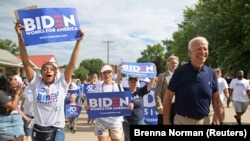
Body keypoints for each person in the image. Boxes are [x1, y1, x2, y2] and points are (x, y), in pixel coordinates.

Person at [15, 23, 84, 141]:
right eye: (45, 69)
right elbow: (26, 62)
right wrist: (20, 37)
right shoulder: (35, 83)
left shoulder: (61, 84)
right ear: (41, 73)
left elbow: (72, 64)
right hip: (39, 129)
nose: (48, 71)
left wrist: (79, 41)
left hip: (57, 131)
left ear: (56, 73)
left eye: (52, 69)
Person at [163, 36, 224, 125]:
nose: (203, 52)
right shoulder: (180, 72)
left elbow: (216, 100)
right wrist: (166, 122)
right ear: (189, 52)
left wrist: (221, 122)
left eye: (205, 49)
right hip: (182, 121)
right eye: (199, 49)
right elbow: (168, 99)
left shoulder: (211, 73)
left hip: (205, 121)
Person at [84, 64, 133, 141]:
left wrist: (130, 105)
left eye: (109, 72)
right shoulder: (98, 86)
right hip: (101, 122)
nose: (107, 75)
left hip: (116, 122)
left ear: (112, 73)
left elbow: (126, 102)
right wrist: (87, 106)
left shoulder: (119, 86)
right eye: (104, 73)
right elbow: (89, 101)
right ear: (102, 74)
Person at [123, 76, 155, 141]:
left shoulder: (140, 91)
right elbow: (117, 86)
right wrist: (118, 71)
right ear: (128, 82)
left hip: (139, 120)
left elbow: (150, 85)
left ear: (137, 83)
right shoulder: (124, 91)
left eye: (134, 82)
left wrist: (153, 75)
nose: (133, 83)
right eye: (131, 82)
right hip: (127, 121)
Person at [154, 55, 179, 125]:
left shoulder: (180, 76)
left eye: (175, 63)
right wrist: (159, 106)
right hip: (165, 106)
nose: (174, 65)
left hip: (177, 107)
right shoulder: (162, 76)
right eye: (172, 63)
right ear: (168, 64)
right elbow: (157, 93)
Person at [0, 74, 24, 141]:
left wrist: (26, 118)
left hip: (16, 120)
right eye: (15, 79)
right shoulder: (1, 93)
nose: (17, 81)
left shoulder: (12, 92)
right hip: (4, 121)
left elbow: (16, 108)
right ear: (8, 81)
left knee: (20, 138)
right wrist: (17, 93)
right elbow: (13, 106)